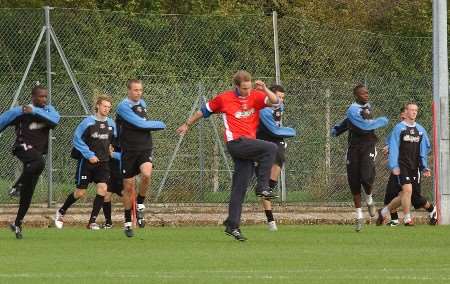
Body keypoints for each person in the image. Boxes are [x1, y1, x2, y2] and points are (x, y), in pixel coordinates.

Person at [177, 70, 281, 241]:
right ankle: (263, 186)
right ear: (236, 86)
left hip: (247, 146)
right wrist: (187, 124)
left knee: (239, 189)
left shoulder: (255, 96)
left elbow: (275, 102)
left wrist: (264, 88)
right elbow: (203, 111)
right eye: (244, 88)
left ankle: (232, 225)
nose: (247, 91)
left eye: (249, 87)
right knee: (270, 148)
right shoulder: (224, 98)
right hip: (236, 143)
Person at [0, 85, 60, 239]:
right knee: (39, 162)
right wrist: (28, 110)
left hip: (35, 157)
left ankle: (17, 224)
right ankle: (17, 186)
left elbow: (55, 120)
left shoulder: (48, 111)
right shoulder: (20, 111)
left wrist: (34, 111)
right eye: (41, 96)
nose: (44, 99)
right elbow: (3, 120)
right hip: (22, 147)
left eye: (46, 96)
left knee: (28, 194)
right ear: (33, 96)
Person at [331, 84, 388, 232]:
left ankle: (369, 198)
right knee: (354, 182)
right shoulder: (352, 109)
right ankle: (359, 217)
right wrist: (338, 129)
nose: (366, 95)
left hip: (368, 146)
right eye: (363, 94)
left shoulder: (367, 106)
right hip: (354, 149)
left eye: (367, 93)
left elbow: (362, 123)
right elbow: (353, 122)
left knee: (367, 177)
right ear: (356, 96)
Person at [54, 95, 116, 230]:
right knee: (80, 193)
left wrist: (113, 149)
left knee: (103, 189)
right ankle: (61, 211)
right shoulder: (87, 122)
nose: (106, 109)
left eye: (109, 107)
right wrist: (89, 155)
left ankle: (92, 222)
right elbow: (76, 140)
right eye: (104, 106)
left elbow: (115, 140)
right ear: (98, 106)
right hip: (87, 163)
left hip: (104, 163)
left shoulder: (111, 124)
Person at [116, 79, 166, 237]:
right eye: (136, 90)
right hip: (128, 151)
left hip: (145, 147)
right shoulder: (123, 106)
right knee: (129, 187)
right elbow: (141, 124)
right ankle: (127, 222)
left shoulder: (142, 103)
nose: (139, 93)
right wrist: (161, 123)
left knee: (146, 174)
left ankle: (140, 205)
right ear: (128, 91)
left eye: (140, 90)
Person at [377, 102, 433, 226]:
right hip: (402, 165)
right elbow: (394, 147)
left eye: (416, 110)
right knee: (407, 190)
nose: (414, 112)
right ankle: (407, 219)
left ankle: (383, 211)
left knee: (404, 194)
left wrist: (424, 166)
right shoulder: (399, 128)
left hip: (414, 166)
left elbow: (424, 149)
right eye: (411, 110)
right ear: (406, 112)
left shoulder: (420, 130)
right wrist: (394, 165)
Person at [255, 84, 296, 231]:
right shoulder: (263, 110)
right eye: (279, 97)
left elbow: (277, 128)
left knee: (277, 164)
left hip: (277, 140)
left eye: (283, 98)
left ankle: (267, 188)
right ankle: (271, 221)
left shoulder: (280, 107)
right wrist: (290, 131)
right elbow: (273, 128)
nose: (281, 100)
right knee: (263, 182)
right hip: (261, 141)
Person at [100, 145, 123, 229]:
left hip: (122, 177)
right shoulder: (106, 138)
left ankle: (134, 220)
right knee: (106, 196)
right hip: (110, 176)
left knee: (128, 198)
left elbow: (127, 156)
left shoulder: (122, 141)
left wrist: (113, 153)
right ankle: (108, 223)